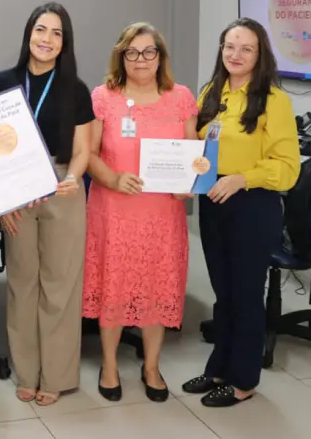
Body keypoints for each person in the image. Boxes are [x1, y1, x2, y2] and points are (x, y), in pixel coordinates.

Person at [182, 17, 300, 407]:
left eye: (246, 48)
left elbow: (287, 166)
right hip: (213, 203)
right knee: (223, 292)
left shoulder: (274, 100)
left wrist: (242, 178)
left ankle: (244, 380)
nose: (236, 54)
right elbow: (194, 143)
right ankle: (220, 367)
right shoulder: (211, 93)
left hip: (252, 205)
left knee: (246, 295)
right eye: (229, 46)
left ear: (260, 54)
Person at [83, 22, 198, 403]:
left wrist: (189, 183)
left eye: (149, 51)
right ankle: (110, 365)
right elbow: (90, 154)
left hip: (162, 213)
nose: (141, 60)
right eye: (132, 52)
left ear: (160, 56)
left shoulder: (181, 98)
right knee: (114, 288)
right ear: (121, 56)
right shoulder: (104, 97)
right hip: (114, 210)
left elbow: (194, 155)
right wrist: (113, 179)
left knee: (156, 287)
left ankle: (151, 366)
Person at [0, 2, 92, 406]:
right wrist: (2, 204)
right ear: (28, 34)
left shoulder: (76, 89)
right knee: (22, 283)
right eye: (40, 30)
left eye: (56, 33)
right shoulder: (3, 83)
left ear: (64, 43)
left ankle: (56, 374)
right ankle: (27, 371)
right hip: (14, 192)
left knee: (59, 285)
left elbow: (85, 148)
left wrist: (71, 178)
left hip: (60, 187)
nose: (46, 39)